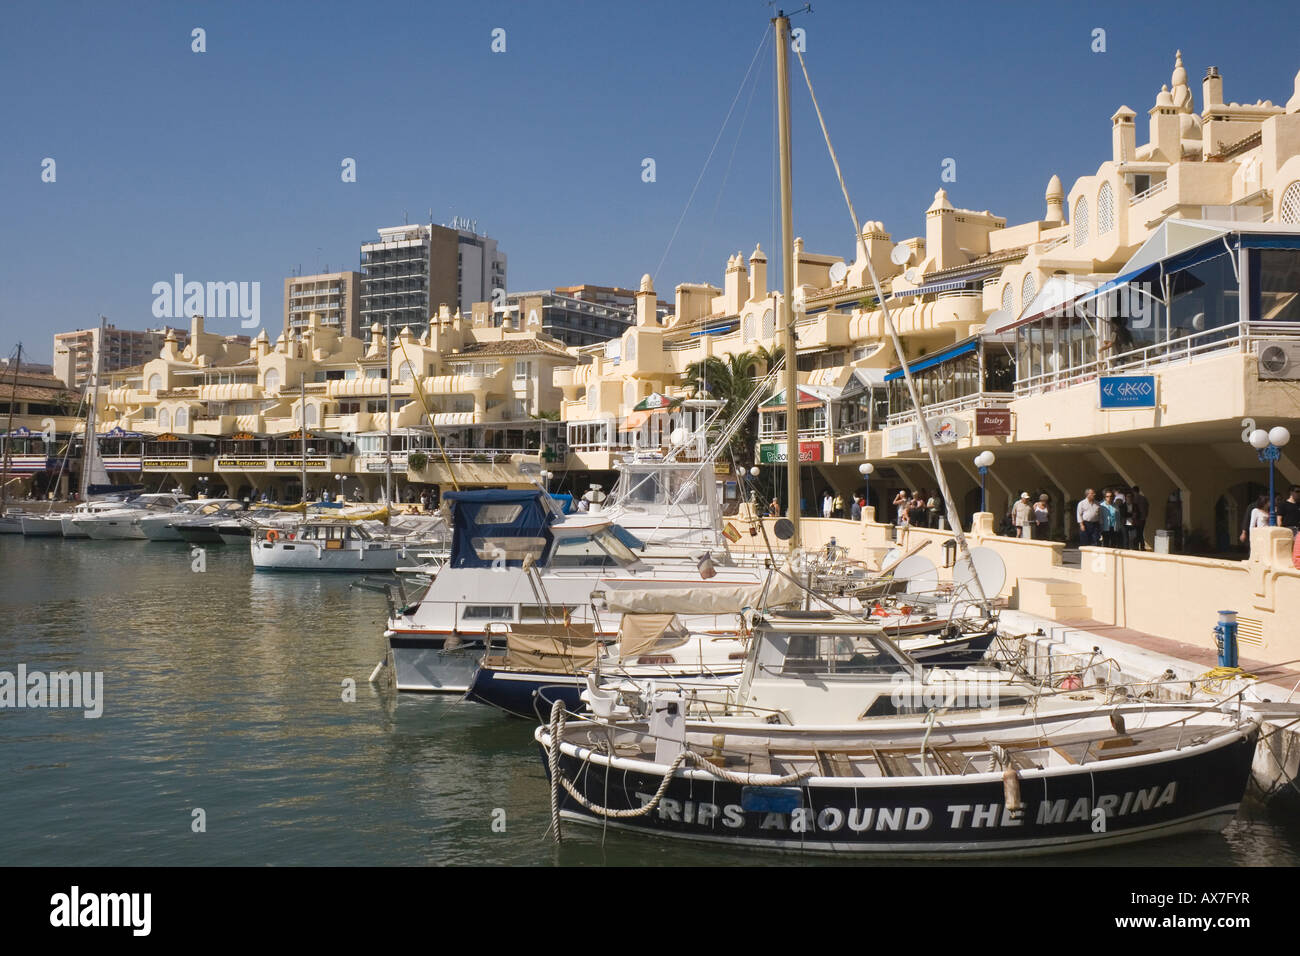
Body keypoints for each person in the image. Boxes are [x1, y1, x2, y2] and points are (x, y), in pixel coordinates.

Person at [1128, 485, 1149, 550]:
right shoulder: (1144, 498)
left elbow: (1133, 509)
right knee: (1140, 532)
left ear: (1133, 491)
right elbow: (1147, 507)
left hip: (1137, 518)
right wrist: (1145, 515)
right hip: (1143, 518)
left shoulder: (1134, 498)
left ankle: (1137, 546)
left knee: (1137, 533)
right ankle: (1142, 546)